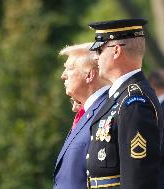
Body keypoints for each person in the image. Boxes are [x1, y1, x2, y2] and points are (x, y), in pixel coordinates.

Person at [86, 18, 163, 189]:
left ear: (116, 51)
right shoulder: (120, 97)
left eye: (99, 50)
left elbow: (138, 177)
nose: (96, 57)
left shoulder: (134, 101)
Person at [53, 43, 110, 189]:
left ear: (90, 75)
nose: (63, 75)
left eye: (70, 68)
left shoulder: (106, 110)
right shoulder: (89, 110)